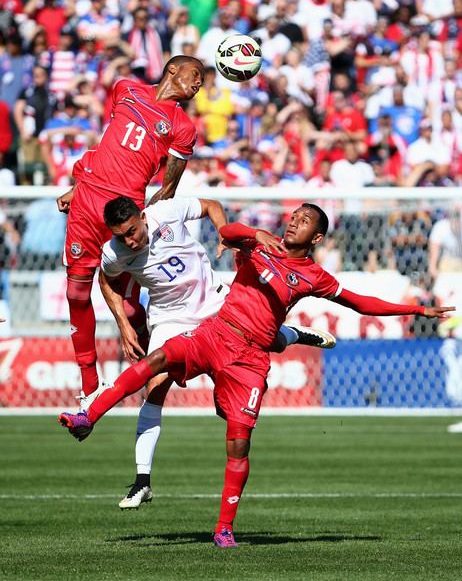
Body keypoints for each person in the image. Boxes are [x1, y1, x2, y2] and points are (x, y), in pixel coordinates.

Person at [59, 203, 455, 548]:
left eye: (303, 221)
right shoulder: (260, 245)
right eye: (293, 216)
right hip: (215, 331)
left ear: (316, 237)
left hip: (249, 360)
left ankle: (224, 529)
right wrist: (254, 234)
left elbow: (358, 302)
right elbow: (227, 233)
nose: (294, 222)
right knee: (158, 361)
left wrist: (418, 311)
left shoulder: (314, 276)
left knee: (238, 442)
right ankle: (88, 417)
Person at [99, 195, 335, 509]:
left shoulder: (165, 212)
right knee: (154, 386)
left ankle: (291, 334)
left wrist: (225, 235)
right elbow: (106, 279)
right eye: (121, 236)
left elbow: (210, 205)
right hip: (170, 317)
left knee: (265, 340)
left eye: (132, 231)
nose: (130, 240)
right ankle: (142, 481)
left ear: (142, 217)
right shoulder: (114, 253)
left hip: (213, 301)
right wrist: (124, 325)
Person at [56, 55, 205, 409]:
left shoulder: (182, 126)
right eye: (195, 75)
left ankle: (152, 366)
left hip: (124, 218)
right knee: (77, 293)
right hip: (88, 200)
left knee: (126, 303)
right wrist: (78, 188)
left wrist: (147, 218)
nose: (199, 83)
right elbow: (110, 146)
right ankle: (89, 385)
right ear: (172, 70)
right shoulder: (125, 90)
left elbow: (168, 188)